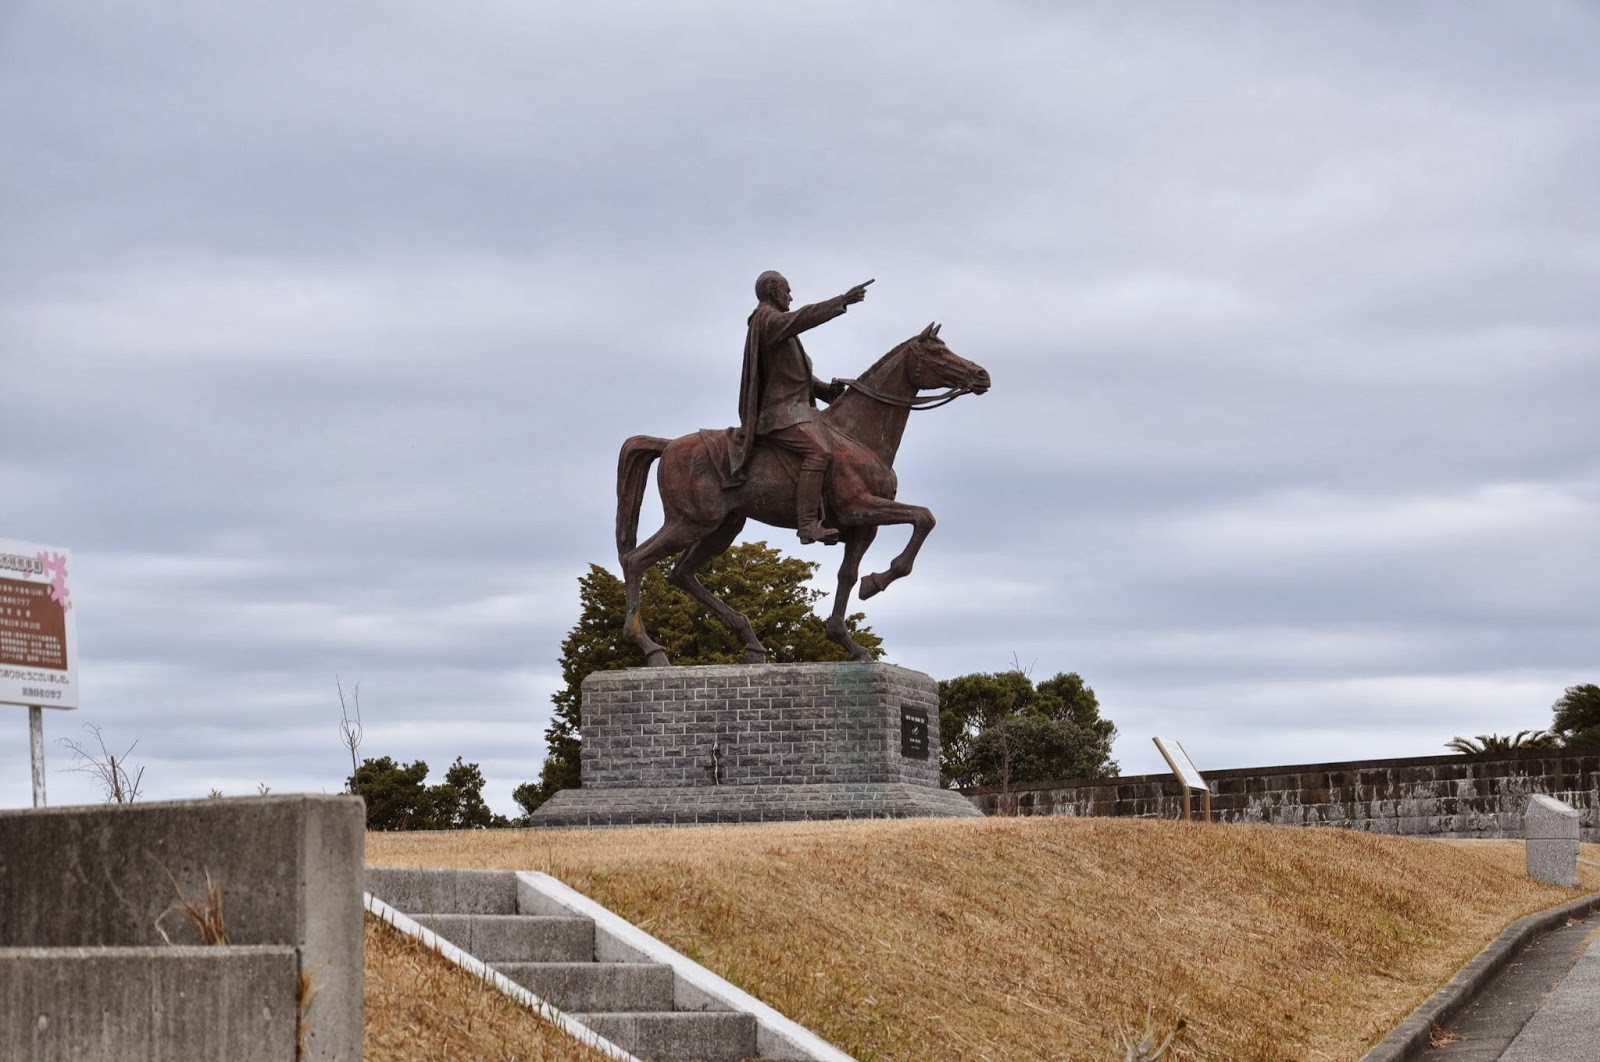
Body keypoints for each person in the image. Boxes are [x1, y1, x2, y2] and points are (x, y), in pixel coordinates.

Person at [731, 270, 872, 545]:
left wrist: (824, 391)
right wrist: (841, 301)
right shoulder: (767, 319)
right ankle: (808, 523)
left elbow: (790, 377)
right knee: (820, 452)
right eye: (787, 290)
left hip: (796, 410)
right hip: (780, 415)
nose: (791, 296)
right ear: (774, 292)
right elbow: (803, 317)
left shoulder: (777, 327)